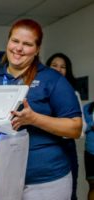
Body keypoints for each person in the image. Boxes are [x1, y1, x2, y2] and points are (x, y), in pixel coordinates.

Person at [0, 19, 82, 200]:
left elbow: (75, 128)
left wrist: (34, 119)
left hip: (46, 181)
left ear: (37, 49)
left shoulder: (52, 79)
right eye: (15, 41)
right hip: (4, 177)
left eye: (27, 44)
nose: (19, 48)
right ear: (8, 42)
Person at [46, 52, 86, 200]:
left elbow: (80, 129)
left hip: (66, 146)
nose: (58, 69)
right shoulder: (39, 91)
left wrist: (60, 128)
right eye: (54, 65)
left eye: (63, 67)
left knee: (70, 191)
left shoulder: (72, 93)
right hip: (44, 147)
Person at [84, 101, 94, 200]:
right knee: (93, 186)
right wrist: (91, 125)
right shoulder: (87, 108)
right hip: (90, 152)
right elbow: (81, 127)